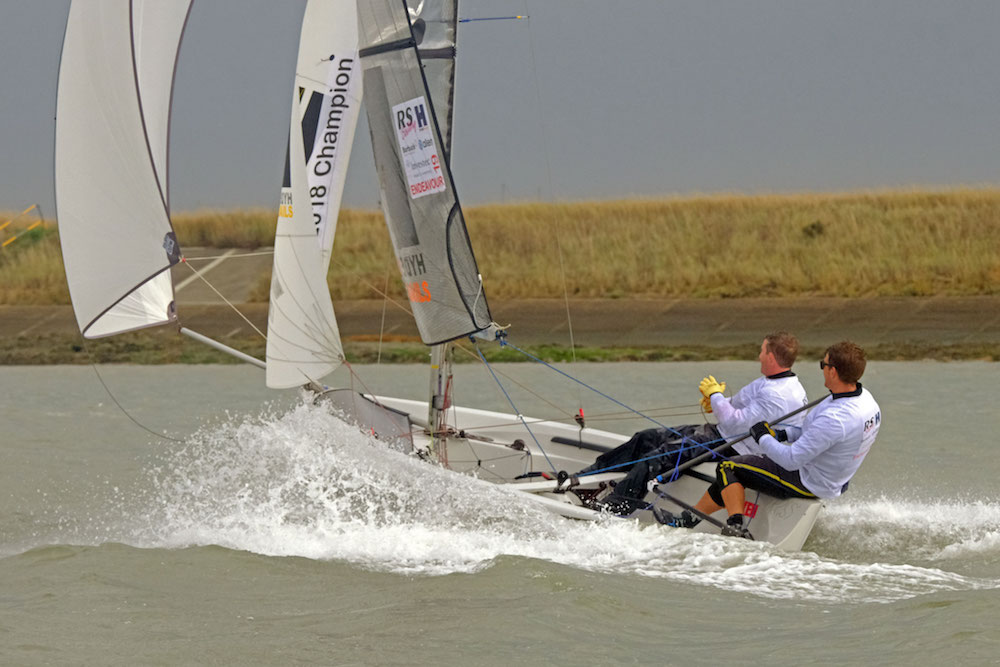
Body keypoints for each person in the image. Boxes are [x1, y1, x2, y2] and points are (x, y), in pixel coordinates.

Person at [576, 331, 809, 515]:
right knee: (645, 438)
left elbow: (737, 423)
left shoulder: (777, 395)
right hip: (719, 432)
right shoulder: (772, 382)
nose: (758, 355)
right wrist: (716, 400)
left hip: (731, 445)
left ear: (770, 356)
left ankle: (614, 508)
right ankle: (587, 478)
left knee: (658, 458)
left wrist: (716, 396)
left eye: (761, 351)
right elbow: (738, 405)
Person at [675, 341, 881, 538]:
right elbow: (815, 434)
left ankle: (735, 526)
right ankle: (691, 517)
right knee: (745, 467)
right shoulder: (865, 400)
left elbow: (791, 460)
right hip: (835, 478)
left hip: (809, 480)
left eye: (823, 365)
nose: (822, 369)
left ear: (833, 371)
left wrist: (762, 436)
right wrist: (781, 435)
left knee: (727, 468)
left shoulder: (835, 418)